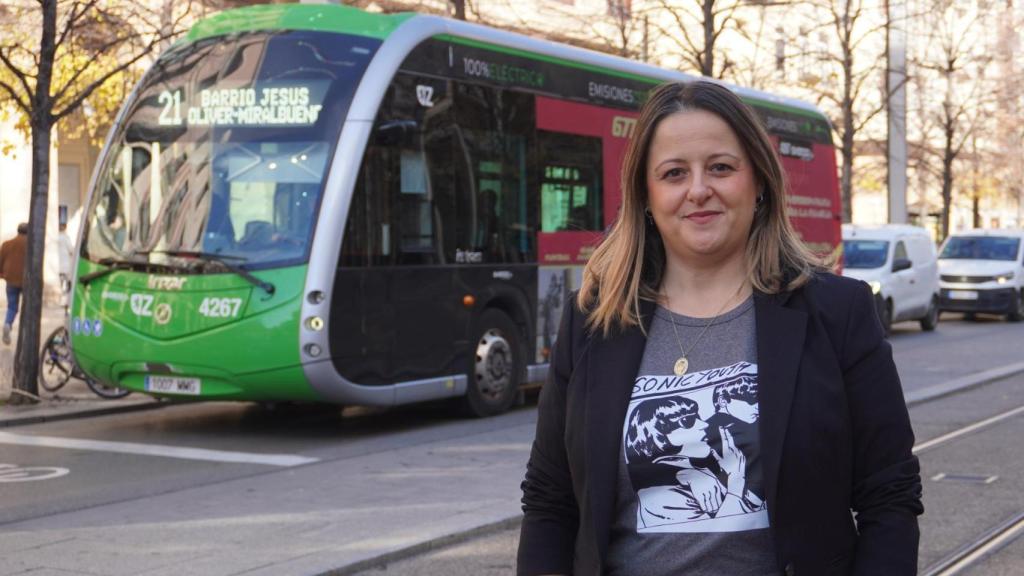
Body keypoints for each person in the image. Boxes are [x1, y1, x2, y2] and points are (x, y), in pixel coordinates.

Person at [517, 81, 922, 576]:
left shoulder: (838, 313)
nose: (698, 189)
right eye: (673, 173)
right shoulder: (595, 320)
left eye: (721, 167)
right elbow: (549, 500)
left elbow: (890, 494)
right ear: (646, 196)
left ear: (758, 183)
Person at [0, 223, 28, 345]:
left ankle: (8, 323)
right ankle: (26, 331)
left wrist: (2, 274)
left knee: (12, 306)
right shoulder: (31, 245)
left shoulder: (7, 244)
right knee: (27, 307)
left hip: (10, 279)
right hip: (27, 280)